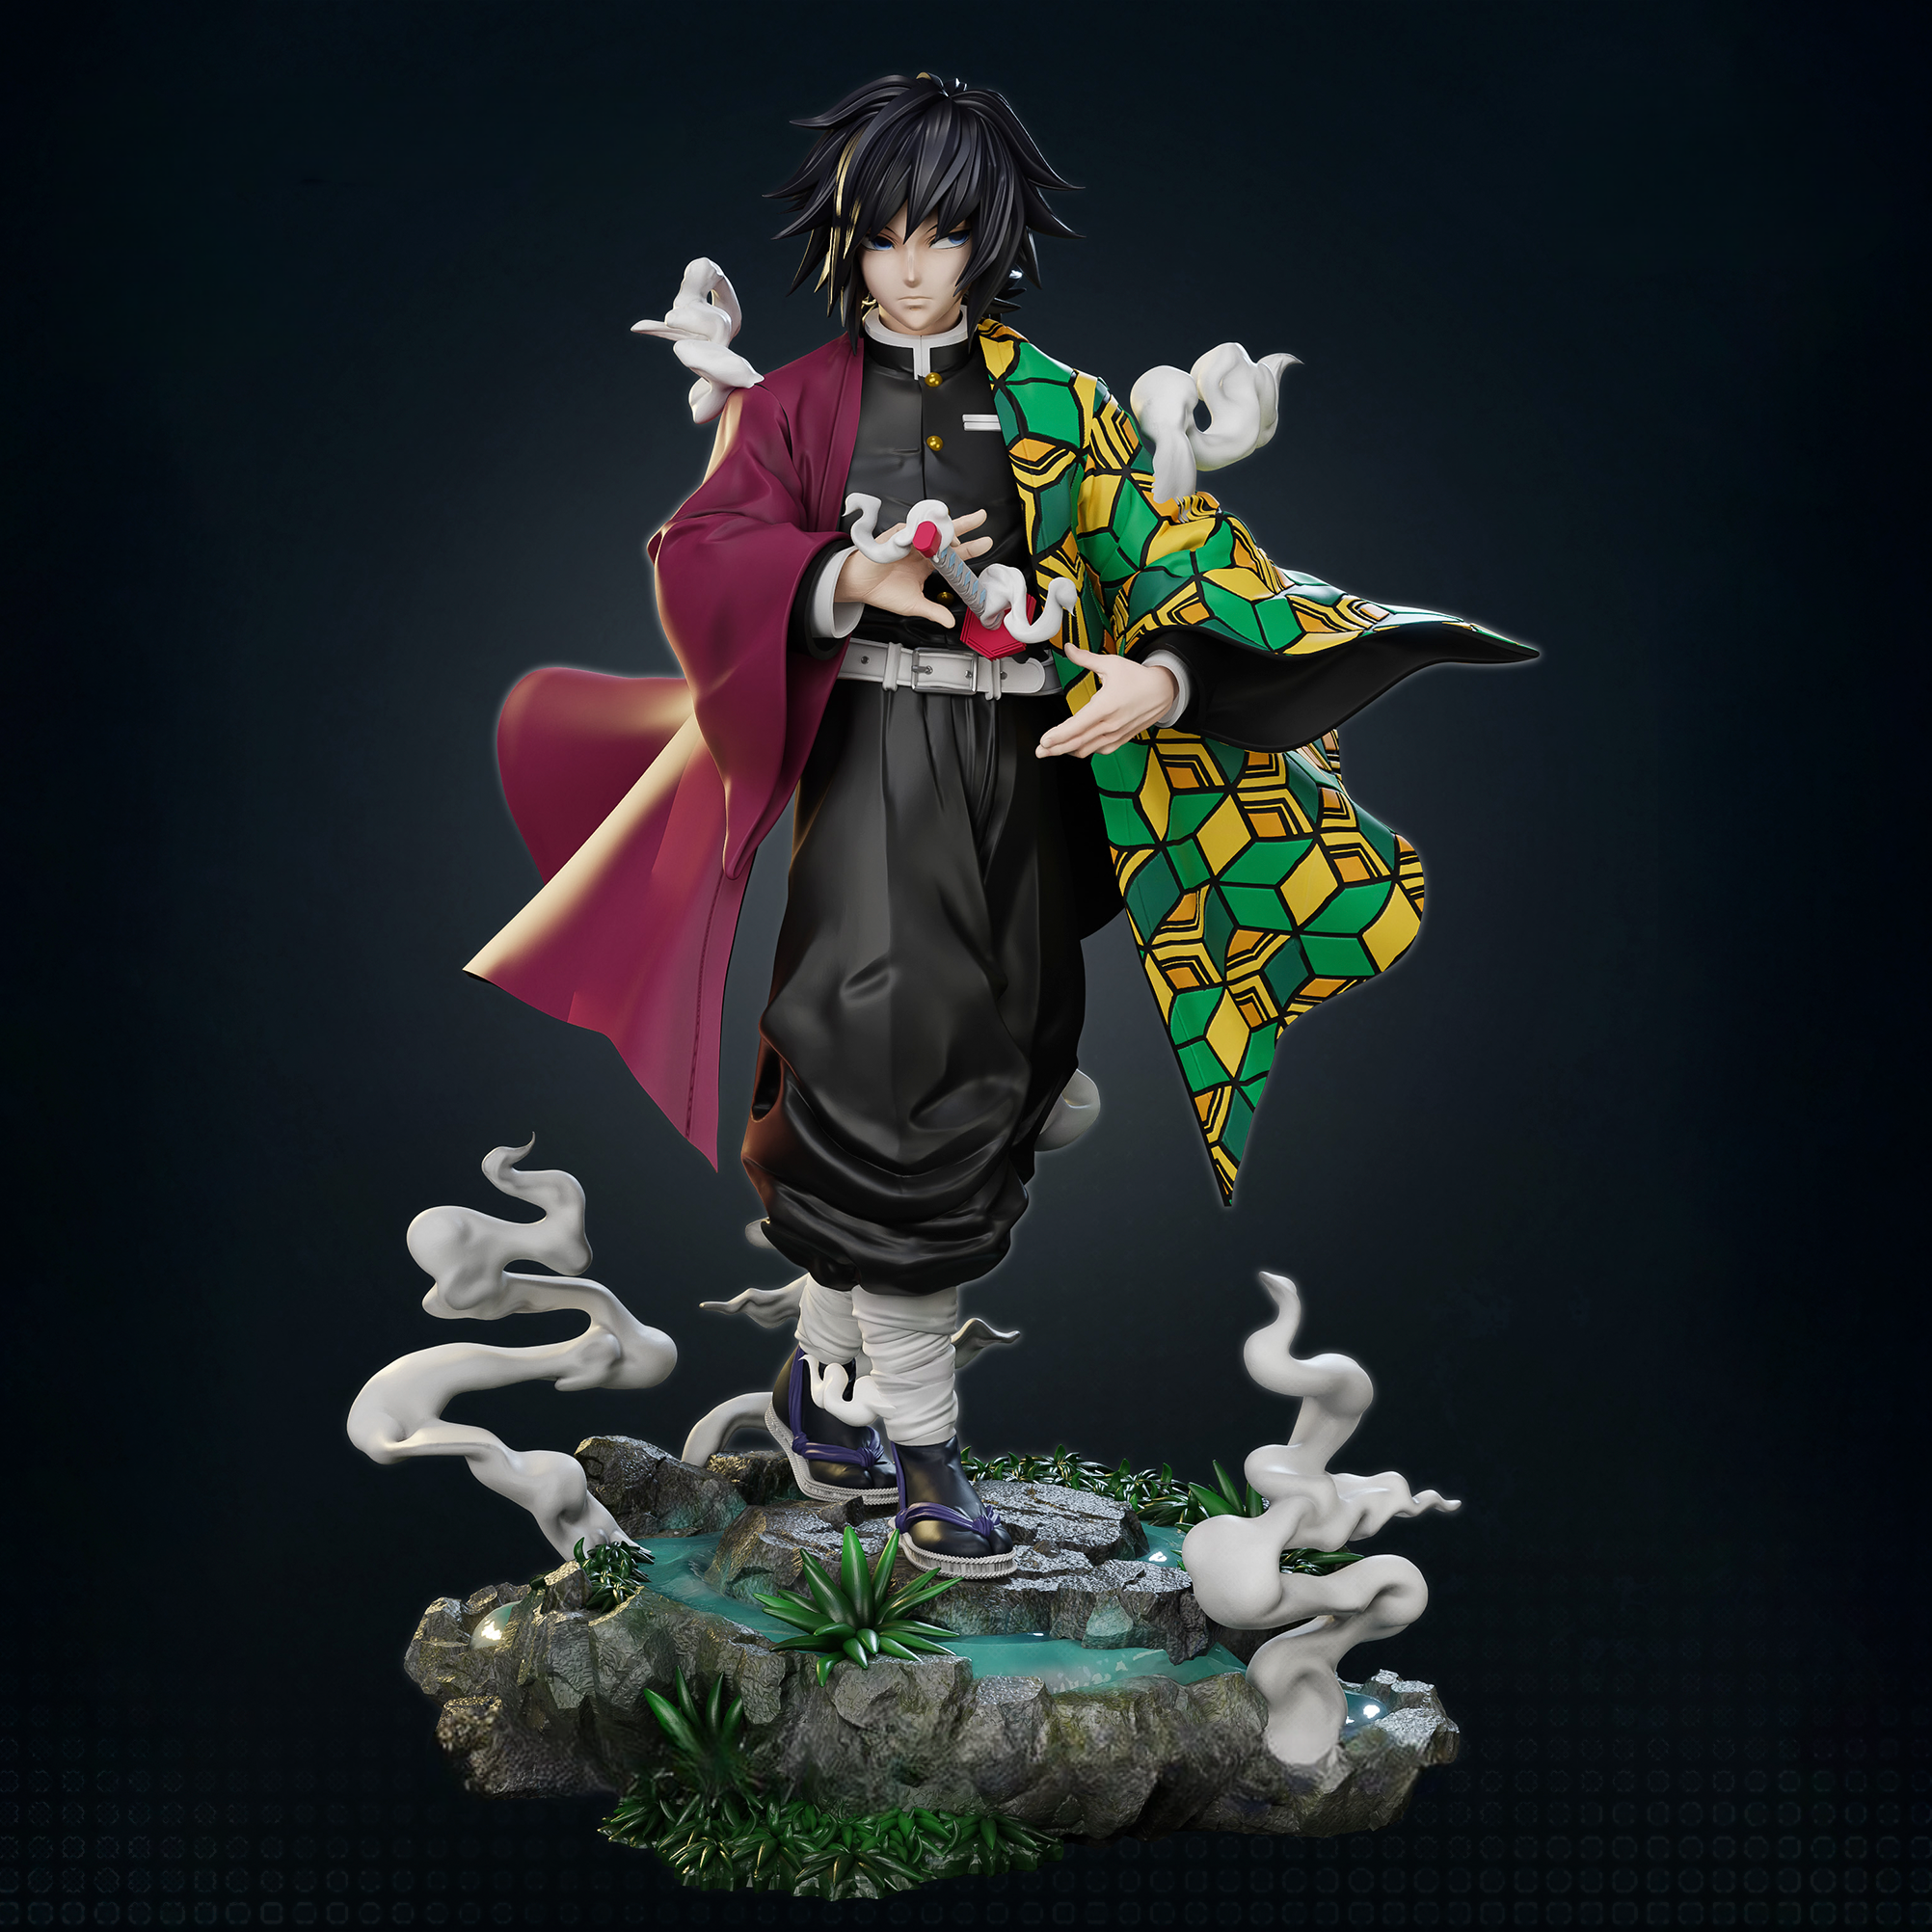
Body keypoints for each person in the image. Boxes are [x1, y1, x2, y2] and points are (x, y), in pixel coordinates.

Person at [467, 73, 1534, 1577]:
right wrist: (849, 579)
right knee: (896, 1074)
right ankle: (922, 1449)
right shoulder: (793, 405)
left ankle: (823, 1380)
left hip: (1030, 779)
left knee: (1020, 1071)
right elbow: (701, 552)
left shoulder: (1065, 408)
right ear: (847, 240)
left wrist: (1166, 679)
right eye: (883, 236)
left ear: (989, 239)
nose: (911, 268)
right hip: (877, 780)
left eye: (942, 236)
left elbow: (1183, 559)